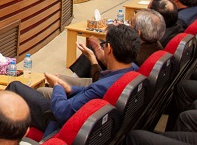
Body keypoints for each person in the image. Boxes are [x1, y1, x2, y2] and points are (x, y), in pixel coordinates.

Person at [7, 23, 140, 138]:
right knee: (36, 92)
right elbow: (89, 91)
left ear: (109, 49)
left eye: (104, 45)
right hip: (86, 120)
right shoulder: (133, 70)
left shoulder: (102, 86)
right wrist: (70, 88)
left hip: (61, 123)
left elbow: (62, 112)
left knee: (15, 87)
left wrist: (57, 86)